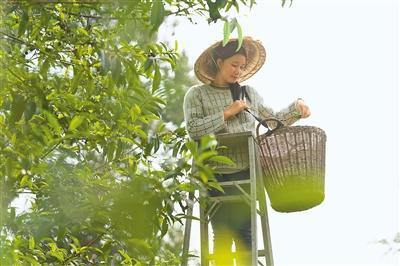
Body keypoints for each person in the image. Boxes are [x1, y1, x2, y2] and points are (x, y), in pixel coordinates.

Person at [183, 36, 310, 265]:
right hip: (215, 175)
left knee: (246, 239)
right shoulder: (197, 94)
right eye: (233, 65)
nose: (238, 71)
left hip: (247, 172)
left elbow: (272, 121)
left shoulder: (248, 93)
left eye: (241, 67)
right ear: (219, 62)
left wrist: (297, 107)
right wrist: (227, 113)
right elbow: (193, 129)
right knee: (221, 237)